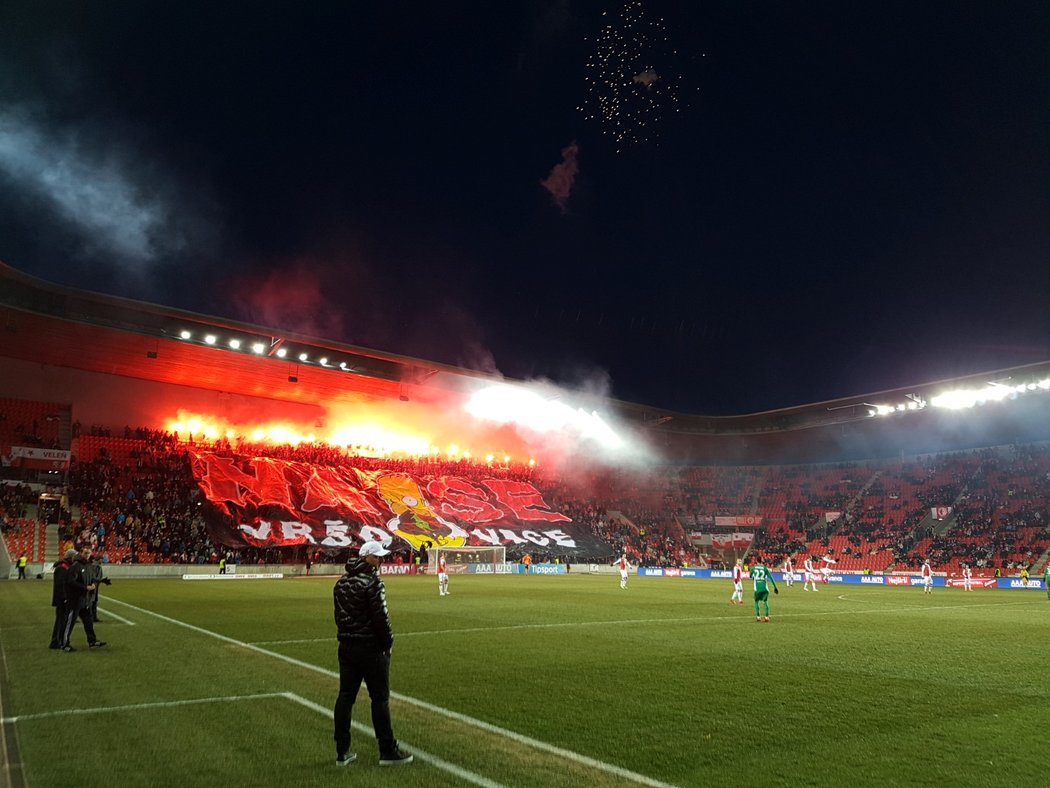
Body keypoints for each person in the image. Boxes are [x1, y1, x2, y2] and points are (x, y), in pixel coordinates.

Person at [333, 541, 413, 767]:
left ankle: (342, 750)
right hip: (370, 648)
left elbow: (338, 617)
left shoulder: (341, 583)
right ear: (366, 557)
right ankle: (387, 750)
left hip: (346, 646)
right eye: (377, 557)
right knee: (379, 698)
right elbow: (381, 618)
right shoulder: (372, 583)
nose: (381, 560)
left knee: (345, 697)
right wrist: (388, 643)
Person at [61, 546, 106, 650]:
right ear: (80, 553)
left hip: (85, 600)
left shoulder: (89, 565)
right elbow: (71, 581)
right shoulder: (76, 566)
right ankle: (64, 643)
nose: (87, 555)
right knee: (70, 622)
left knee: (88, 622)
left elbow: (91, 578)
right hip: (75, 599)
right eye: (85, 553)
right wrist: (85, 587)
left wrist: (97, 582)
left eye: (89, 553)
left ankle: (92, 641)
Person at [49, 549, 75, 650]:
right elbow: (60, 585)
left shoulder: (64, 567)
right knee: (60, 621)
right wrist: (64, 598)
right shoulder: (62, 568)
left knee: (62, 620)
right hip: (62, 599)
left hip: (63, 598)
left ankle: (59, 641)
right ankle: (56, 641)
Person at [750, 556, 779, 622]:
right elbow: (771, 578)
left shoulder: (753, 568)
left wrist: (753, 577)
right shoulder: (765, 568)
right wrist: (775, 587)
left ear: (756, 561)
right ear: (761, 561)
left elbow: (750, 576)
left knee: (756, 601)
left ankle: (758, 616)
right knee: (765, 602)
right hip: (765, 588)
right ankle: (766, 617)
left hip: (757, 588)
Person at [87, 554, 112, 622]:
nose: (102, 560)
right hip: (91, 586)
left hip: (96, 586)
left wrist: (102, 580)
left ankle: (94, 617)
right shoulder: (92, 566)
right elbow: (92, 577)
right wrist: (101, 580)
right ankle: (90, 617)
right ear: (98, 559)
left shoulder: (99, 567)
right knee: (91, 601)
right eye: (101, 559)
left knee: (94, 601)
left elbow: (98, 577)